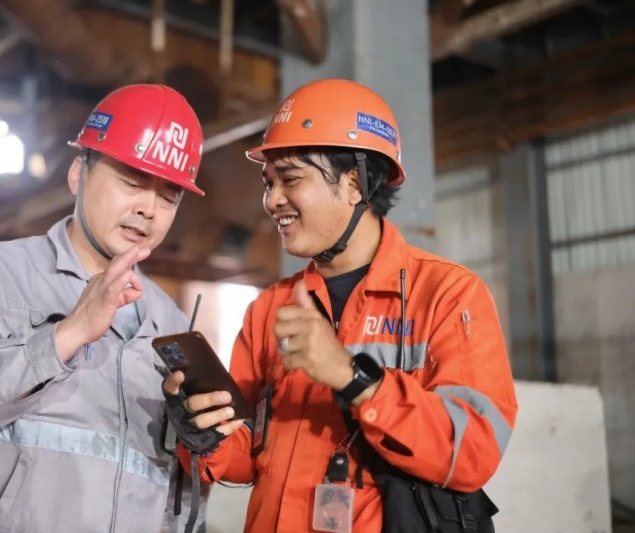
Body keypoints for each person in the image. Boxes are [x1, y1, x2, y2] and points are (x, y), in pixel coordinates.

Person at [164, 78, 518, 532]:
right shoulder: (268, 310)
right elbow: (245, 458)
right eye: (268, 183)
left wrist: (357, 380)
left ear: (354, 183)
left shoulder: (447, 295)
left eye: (290, 178)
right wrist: (204, 433)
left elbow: (473, 451)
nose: (272, 200)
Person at [0, 84, 209, 533]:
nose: (149, 209)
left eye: (169, 196)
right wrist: (66, 335)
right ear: (78, 174)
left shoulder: (170, 325)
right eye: (132, 183)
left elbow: (179, 494)